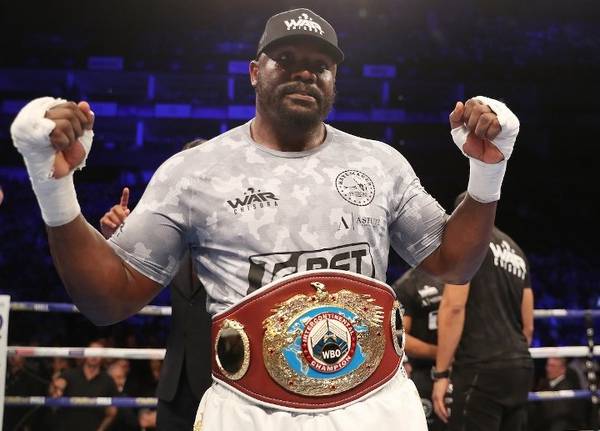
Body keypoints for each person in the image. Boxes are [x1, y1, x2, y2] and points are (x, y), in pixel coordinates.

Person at [10, 7, 520, 431]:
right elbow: (107, 300)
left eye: (320, 65)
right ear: (255, 71)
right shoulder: (195, 173)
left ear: (335, 80)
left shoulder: (379, 164)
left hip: (376, 407)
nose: (305, 72)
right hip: (252, 413)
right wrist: (54, 189)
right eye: (287, 59)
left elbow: (455, 264)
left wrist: (486, 173)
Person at [100, 138, 212, 431]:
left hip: (223, 382)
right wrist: (116, 239)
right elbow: (127, 276)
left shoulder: (237, 231)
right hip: (174, 384)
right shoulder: (166, 231)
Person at [431, 191, 534, 431]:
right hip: (520, 365)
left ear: (458, 216)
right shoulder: (517, 251)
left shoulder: (467, 239)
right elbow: (528, 325)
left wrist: (441, 374)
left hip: (481, 366)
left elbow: (454, 307)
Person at [393, 268, 446, 430]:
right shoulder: (406, 285)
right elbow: (400, 337)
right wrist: (443, 354)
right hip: (425, 374)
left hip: (465, 369)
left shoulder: (459, 275)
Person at [53, 339, 119, 431]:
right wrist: (57, 388)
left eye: (98, 353)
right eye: (91, 352)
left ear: (103, 357)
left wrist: (100, 430)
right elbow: (57, 386)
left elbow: (112, 413)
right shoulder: (70, 374)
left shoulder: (108, 381)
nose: (94, 356)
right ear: (85, 354)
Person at [530, 357, 587, 431]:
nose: (548, 369)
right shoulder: (547, 384)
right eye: (548, 365)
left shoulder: (565, 388)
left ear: (563, 369)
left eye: (552, 366)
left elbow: (560, 419)